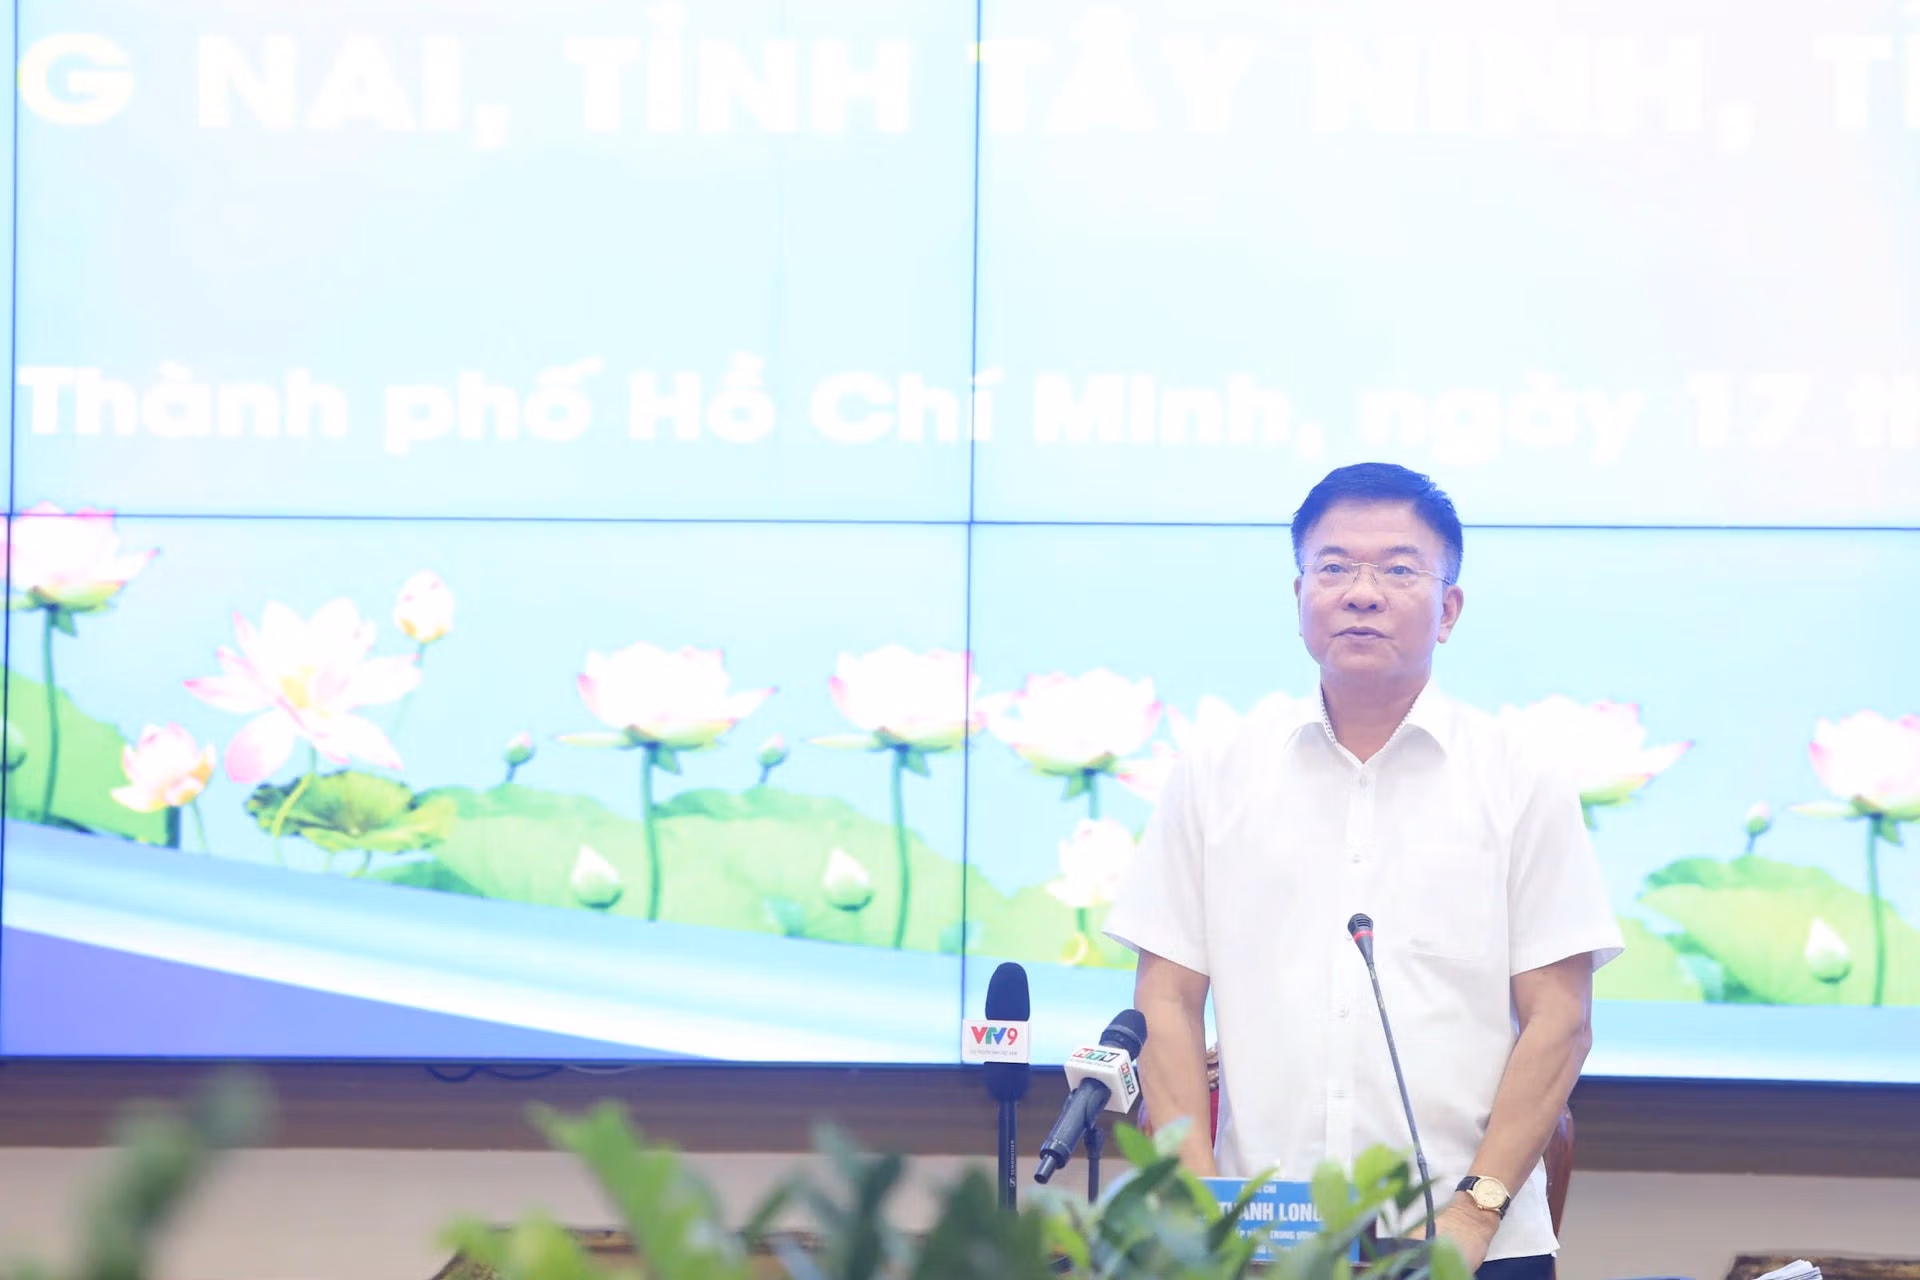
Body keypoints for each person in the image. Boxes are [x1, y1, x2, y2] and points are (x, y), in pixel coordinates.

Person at [1104, 462, 1622, 1280]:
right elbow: (1166, 998)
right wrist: (1201, 1207)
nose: (1362, 593)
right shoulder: (1216, 772)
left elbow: (1560, 1018)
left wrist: (1474, 1212)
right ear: (1299, 596)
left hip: (1471, 1242)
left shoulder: (1520, 777)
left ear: (1448, 610)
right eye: (1335, 567)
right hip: (1258, 1241)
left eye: (1399, 570)